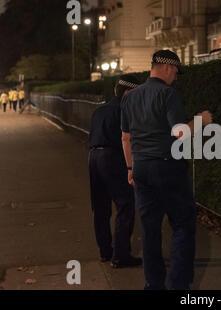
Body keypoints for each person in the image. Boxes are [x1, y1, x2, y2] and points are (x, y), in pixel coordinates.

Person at [121, 50, 212, 290]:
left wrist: (130, 167)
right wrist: (202, 120)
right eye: (175, 73)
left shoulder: (130, 97)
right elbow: (179, 133)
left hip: (141, 167)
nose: (175, 78)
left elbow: (126, 137)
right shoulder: (168, 94)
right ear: (168, 68)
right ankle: (179, 285)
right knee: (182, 224)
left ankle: (153, 285)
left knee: (150, 230)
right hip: (168, 167)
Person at [88, 74, 143, 268]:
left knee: (100, 207)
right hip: (113, 157)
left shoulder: (99, 110)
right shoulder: (126, 111)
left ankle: (105, 251)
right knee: (125, 204)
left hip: (94, 156)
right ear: (128, 92)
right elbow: (129, 140)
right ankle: (121, 255)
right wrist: (131, 166)